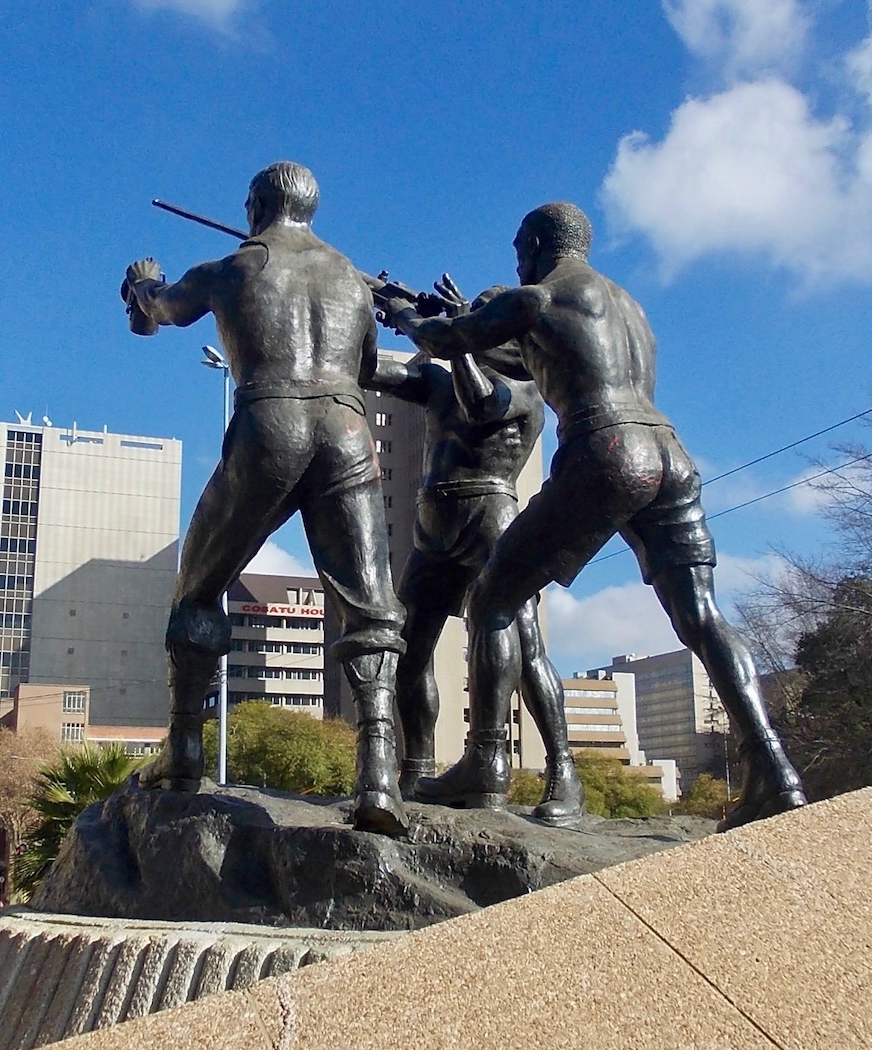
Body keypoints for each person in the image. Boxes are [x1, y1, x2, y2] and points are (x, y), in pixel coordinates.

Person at [374, 202, 806, 830]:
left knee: (493, 599)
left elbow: (445, 342)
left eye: (520, 245)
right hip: (669, 449)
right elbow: (517, 347)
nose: (516, 257)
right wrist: (467, 317)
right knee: (701, 615)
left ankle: (485, 760)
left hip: (606, 447)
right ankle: (774, 769)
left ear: (542, 243)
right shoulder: (628, 307)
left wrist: (412, 316)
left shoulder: (538, 295)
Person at [122, 161, 409, 835]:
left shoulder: (230, 268)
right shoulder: (351, 278)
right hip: (345, 425)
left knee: (196, 590)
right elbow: (367, 370)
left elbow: (159, 310)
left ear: (255, 207)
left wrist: (141, 286)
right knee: (372, 608)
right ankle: (379, 775)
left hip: (269, 422)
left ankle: (184, 747)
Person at [365, 280, 583, 823]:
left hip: (491, 516)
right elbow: (372, 370)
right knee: (409, 650)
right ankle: (415, 769)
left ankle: (558, 769)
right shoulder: (442, 379)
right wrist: (370, 311)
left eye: (484, 317)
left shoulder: (527, 387)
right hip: (432, 526)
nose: (474, 322)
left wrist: (453, 336)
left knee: (525, 648)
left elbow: (485, 408)